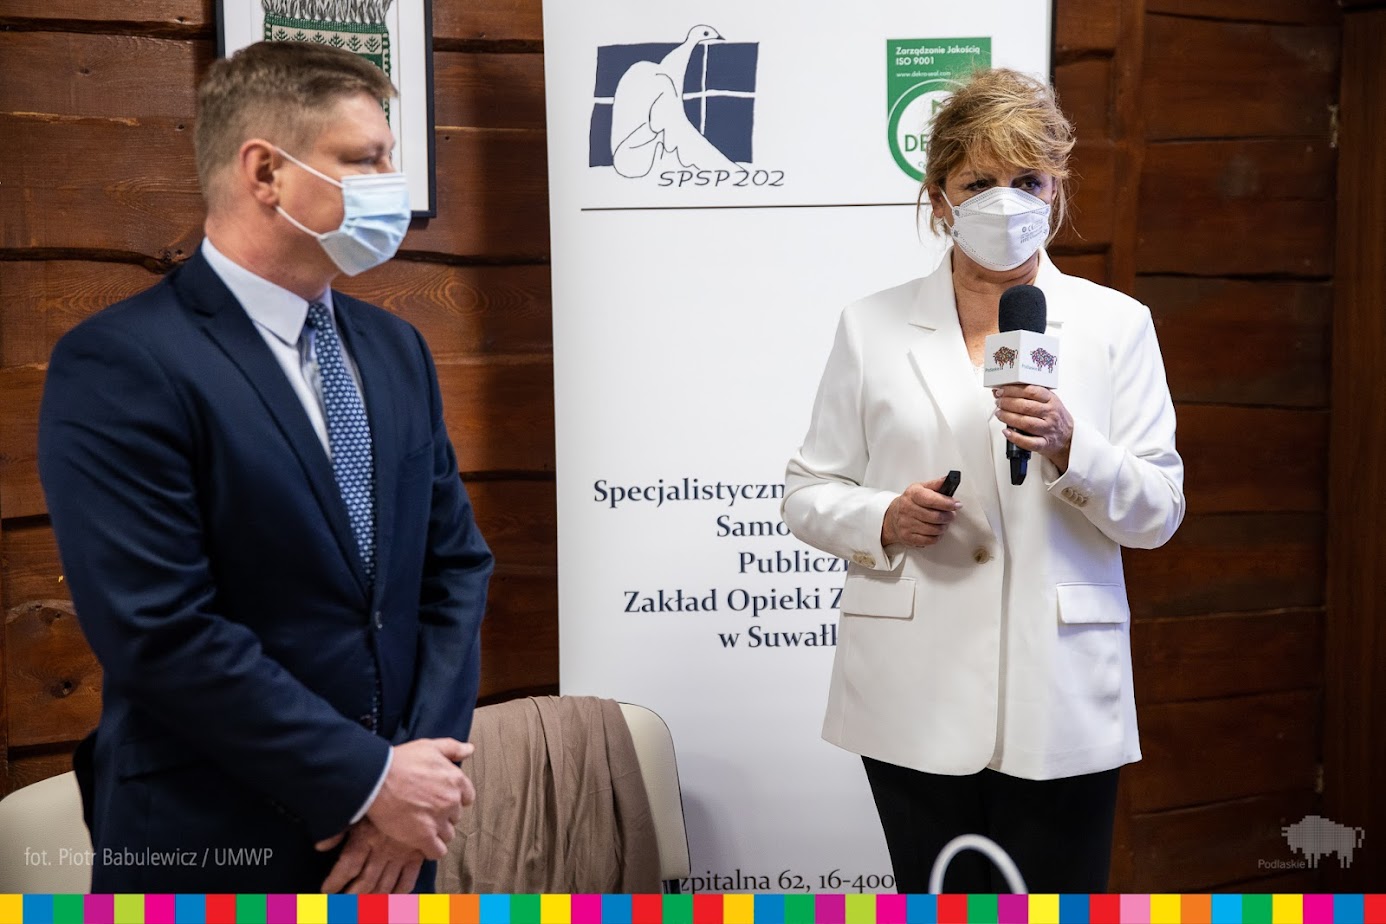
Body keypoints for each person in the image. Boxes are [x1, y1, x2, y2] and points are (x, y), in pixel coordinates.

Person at [37, 41, 494, 894]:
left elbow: (456, 567)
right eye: (366, 159)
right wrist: (365, 779)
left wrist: (414, 773)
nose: (392, 184)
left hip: (399, 841)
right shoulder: (122, 362)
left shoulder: (395, 348)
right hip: (209, 840)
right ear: (265, 173)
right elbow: (159, 628)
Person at [782, 68, 1184, 893]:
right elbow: (807, 491)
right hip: (910, 690)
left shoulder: (1116, 325)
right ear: (939, 198)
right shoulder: (871, 326)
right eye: (979, 182)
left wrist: (1074, 448)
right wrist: (883, 517)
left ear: (1056, 189)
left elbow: (1158, 512)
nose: (1007, 202)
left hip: (1061, 692)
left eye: (1028, 180)